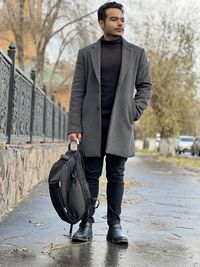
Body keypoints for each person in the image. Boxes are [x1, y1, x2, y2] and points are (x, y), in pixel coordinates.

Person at [68, 2, 152, 244]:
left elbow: (145, 86)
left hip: (120, 125)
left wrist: (134, 110)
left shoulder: (137, 53)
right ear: (102, 23)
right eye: (114, 19)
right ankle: (86, 223)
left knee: (116, 175)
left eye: (122, 19)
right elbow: (77, 91)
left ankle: (115, 225)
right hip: (91, 125)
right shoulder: (86, 54)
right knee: (91, 176)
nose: (120, 23)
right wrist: (74, 126)